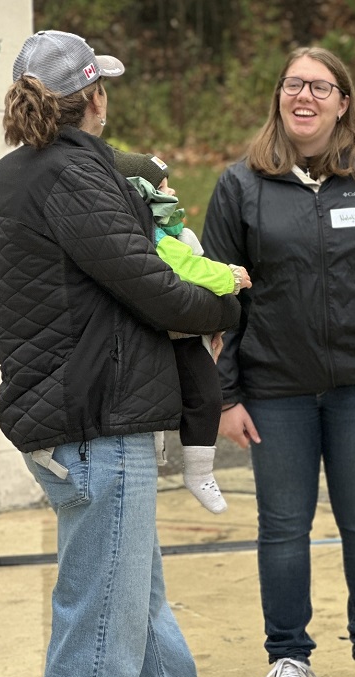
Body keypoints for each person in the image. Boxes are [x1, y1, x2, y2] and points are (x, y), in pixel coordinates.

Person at [0, 30, 250, 677]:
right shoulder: (77, 172)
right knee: (99, 636)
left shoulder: (10, 176)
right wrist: (224, 299)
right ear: (94, 96)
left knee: (140, 610)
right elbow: (150, 284)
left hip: (66, 422)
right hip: (98, 426)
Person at [201, 46, 355, 677]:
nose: (304, 97)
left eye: (319, 87)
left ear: (343, 101)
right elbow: (217, 302)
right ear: (278, 97)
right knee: (283, 526)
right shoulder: (241, 186)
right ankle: (288, 658)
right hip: (275, 389)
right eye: (292, 85)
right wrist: (226, 396)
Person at [112, 150, 250, 514]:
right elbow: (187, 267)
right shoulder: (151, 238)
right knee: (193, 398)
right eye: (162, 186)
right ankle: (196, 470)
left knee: (205, 396)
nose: (171, 192)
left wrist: (215, 324)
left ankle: (199, 470)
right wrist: (230, 278)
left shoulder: (173, 231)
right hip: (170, 335)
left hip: (190, 333)